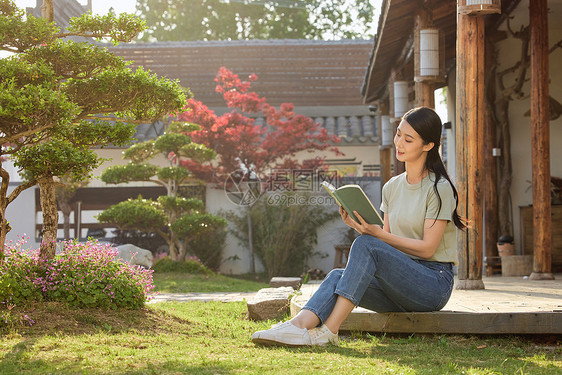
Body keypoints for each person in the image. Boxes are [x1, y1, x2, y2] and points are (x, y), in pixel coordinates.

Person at [251, 106, 466, 347]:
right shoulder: (392, 187)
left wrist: (373, 237)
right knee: (336, 276)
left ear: (428, 146)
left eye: (408, 139)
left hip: (432, 284)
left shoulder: (439, 189)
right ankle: (296, 327)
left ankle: (329, 332)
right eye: (398, 135)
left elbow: (427, 249)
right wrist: (362, 227)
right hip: (399, 285)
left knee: (367, 244)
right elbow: (387, 241)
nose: (399, 143)